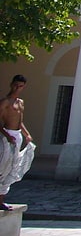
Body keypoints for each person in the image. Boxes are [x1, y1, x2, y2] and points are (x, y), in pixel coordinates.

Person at [0, 74, 36, 210]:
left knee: (13, 167)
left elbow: (20, 122)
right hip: (7, 135)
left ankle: (2, 198)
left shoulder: (20, 103)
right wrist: (6, 135)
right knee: (3, 166)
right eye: (15, 85)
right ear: (11, 84)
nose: (17, 88)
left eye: (20, 86)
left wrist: (27, 134)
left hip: (17, 136)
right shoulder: (5, 102)